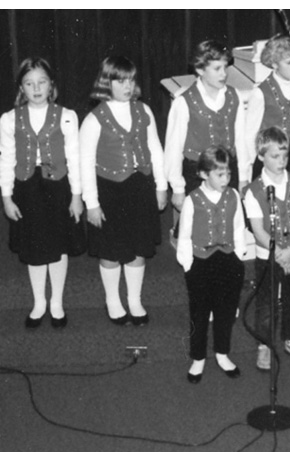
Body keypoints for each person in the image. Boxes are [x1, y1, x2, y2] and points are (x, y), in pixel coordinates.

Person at [79, 55, 167, 326]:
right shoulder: (95, 119)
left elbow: (156, 150)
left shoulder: (144, 111)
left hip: (140, 187)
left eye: (131, 80)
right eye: (120, 81)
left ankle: (134, 299)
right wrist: (91, 203)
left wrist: (161, 186)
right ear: (106, 83)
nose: (127, 86)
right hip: (109, 191)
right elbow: (85, 163)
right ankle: (113, 300)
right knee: (111, 250)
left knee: (138, 247)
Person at [0, 57, 84, 329]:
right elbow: (6, 158)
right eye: (29, 83)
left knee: (58, 245)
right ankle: (39, 302)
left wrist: (76, 195)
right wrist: (7, 196)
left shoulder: (67, 116)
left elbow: (74, 158)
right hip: (27, 188)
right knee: (35, 247)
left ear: (51, 86)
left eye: (42, 82)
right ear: (21, 88)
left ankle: (57, 302)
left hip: (57, 187)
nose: (36, 88)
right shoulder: (9, 119)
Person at [242, 126, 290, 370]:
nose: (281, 161)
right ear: (261, 156)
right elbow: (258, 230)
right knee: (266, 302)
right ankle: (265, 344)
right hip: (268, 255)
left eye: (284, 156)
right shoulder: (253, 191)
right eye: (275, 156)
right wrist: (278, 255)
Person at [176, 147, 246, 384]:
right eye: (220, 175)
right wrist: (188, 265)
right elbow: (184, 235)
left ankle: (222, 353)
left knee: (226, 311)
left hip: (227, 259)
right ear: (204, 174)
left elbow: (238, 226)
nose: (226, 180)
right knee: (200, 312)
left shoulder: (234, 196)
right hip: (201, 262)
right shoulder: (192, 199)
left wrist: (238, 255)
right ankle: (198, 357)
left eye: (228, 174)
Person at [165, 40, 246, 218]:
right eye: (217, 69)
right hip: (197, 174)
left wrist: (243, 177)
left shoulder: (234, 96)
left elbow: (241, 140)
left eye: (225, 68)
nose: (224, 74)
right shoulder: (184, 101)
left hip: (228, 171)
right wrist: (178, 187)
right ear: (200, 70)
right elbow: (173, 148)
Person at [244, 34, 290, 183]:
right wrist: (250, 167)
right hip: (271, 157)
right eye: (289, 62)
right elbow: (250, 134)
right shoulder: (261, 93)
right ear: (275, 64)